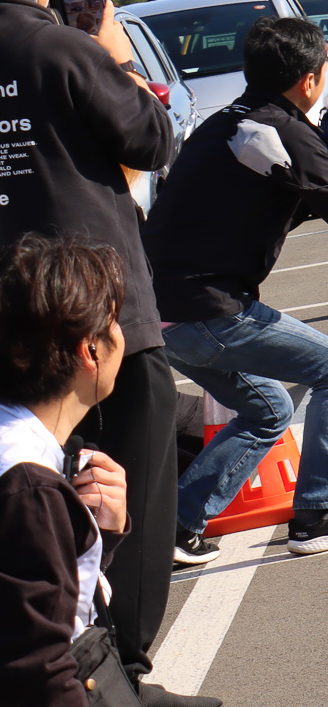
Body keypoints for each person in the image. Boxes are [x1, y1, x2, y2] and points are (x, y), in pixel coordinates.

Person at [0, 0, 201, 705]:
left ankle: (64, 653)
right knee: (137, 490)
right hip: (98, 308)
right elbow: (154, 140)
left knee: (33, 495)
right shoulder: (61, 49)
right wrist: (113, 53)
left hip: (9, 319)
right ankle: (125, 671)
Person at [141, 17, 328, 557]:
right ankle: (321, 511)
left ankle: (180, 523)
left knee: (269, 410)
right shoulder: (286, 132)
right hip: (208, 311)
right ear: (308, 80)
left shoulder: (224, 123)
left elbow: (271, 202)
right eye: (325, 71)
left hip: (159, 313)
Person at [0, 236, 160, 707]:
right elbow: (41, 673)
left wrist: (99, 537)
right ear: (90, 350)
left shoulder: (23, 450)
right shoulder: (28, 486)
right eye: (114, 320)